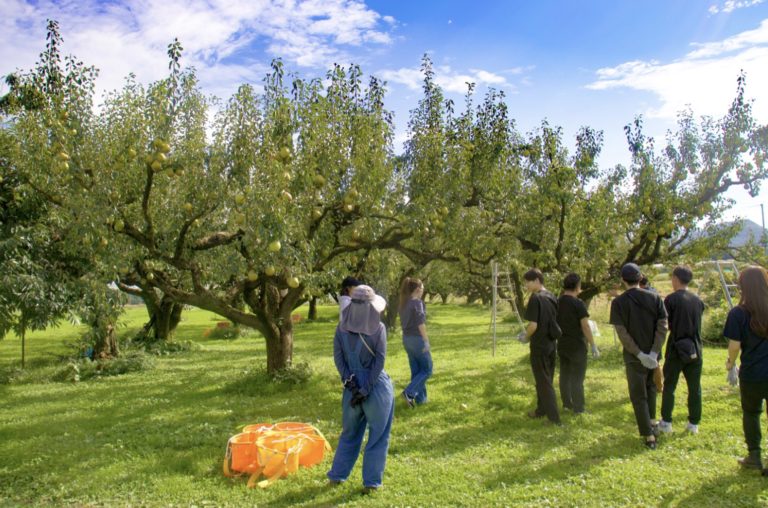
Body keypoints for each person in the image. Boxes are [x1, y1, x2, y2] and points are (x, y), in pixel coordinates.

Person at [327, 285, 394, 494]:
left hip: (351, 389)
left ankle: (336, 477)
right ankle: (371, 483)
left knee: (349, 434)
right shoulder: (379, 329)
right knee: (378, 435)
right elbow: (379, 362)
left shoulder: (341, 328)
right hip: (376, 388)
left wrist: (351, 385)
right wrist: (365, 390)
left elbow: (339, 360)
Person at [610, 263, 668, 449]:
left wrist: (638, 353)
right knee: (651, 388)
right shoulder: (655, 297)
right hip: (653, 355)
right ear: (640, 277)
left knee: (638, 395)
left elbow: (622, 332)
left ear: (623, 280)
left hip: (634, 357)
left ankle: (649, 436)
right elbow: (663, 326)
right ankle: (652, 423)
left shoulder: (618, 302)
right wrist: (654, 352)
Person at [723, 266, 768, 471]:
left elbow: (734, 346)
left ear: (742, 287)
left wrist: (730, 363)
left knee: (751, 413)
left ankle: (755, 456)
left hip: (753, 373)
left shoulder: (738, 313)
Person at [658, 265, 705, 435]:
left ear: (676, 278)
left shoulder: (670, 300)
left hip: (676, 347)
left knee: (669, 386)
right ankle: (693, 424)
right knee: (695, 388)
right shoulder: (698, 300)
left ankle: (666, 422)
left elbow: (665, 324)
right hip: (695, 348)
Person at [520, 268, 563, 426]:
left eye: (528, 282)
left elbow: (533, 325)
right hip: (551, 344)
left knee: (544, 382)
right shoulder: (552, 296)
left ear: (537, 280)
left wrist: (526, 337)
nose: (526, 286)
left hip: (539, 345)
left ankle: (555, 419)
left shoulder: (535, 298)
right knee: (545, 379)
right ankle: (541, 410)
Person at [556, 273, 599, 415]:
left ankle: (567, 404)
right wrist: (593, 345)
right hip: (577, 346)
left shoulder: (558, 302)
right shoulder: (578, 303)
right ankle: (579, 408)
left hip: (562, 343)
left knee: (565, 375)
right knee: (577, 377)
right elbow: (585, 326)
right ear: (578, 287)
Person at [398, 278, 432, 408]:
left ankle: (421, 399)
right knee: (428, 369)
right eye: (423, 289)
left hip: (406, 339)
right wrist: (426, 340)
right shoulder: (417, 302)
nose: (423, 291)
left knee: (416, 370)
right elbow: (420, 323)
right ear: (418, 289)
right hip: (417, 340)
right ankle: (409, 392)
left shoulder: (403, 303)